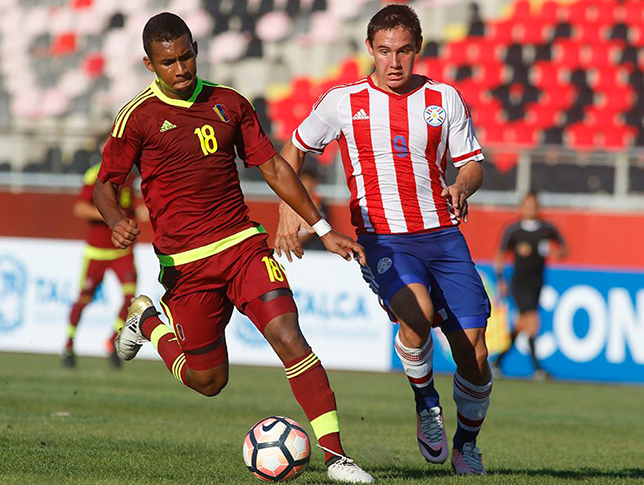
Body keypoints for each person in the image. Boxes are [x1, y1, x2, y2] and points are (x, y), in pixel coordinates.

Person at [93, 13, 373, 483]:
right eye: (168, 63)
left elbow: (275, 169)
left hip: (242, 246)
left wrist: (322, 228)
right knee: (208, 381)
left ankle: (337, 456)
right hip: (185, 266)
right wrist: (117, 219)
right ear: (149, 64)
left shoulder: (230, 103)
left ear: (196, 49)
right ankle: (149, 322)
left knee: (289, 335)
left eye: (186, 57)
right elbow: (106, 185)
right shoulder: (137, 117)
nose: (180, 69)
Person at [275, 4, 492, 476]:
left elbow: (472, 161)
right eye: (385, 51)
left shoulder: (445, 98)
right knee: (417, 314)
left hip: (443, 235)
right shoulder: (343, 101)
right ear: (370, 49)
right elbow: (294, 149)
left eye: (405, 51)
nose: (394, 62)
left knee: (473, 352)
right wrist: (288, 208)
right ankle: (426, 403)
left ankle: (467, 445)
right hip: (385, 238)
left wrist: (461, 185)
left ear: (418, 51)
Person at [62, 150, 144, 369]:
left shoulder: (131, 176)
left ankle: (111, 342)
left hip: (121, 250)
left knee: (131, 300)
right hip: (97, 251)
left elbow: (132, 206)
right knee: (84, 299)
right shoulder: (95, 174)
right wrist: (113, 216)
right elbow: (80, 208)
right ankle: (68, 345)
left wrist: (140, 211)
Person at [493, 192, 567, 380]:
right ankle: (537, 369)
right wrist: (500, 279)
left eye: (534, 205)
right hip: (519, 282)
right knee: (533, 321)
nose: (530, 208)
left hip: (537, 282)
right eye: (527, 205)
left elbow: (563, 248)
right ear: (521, 207)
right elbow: (500, 255)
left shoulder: (547, 228)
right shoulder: (514, 230)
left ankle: (496, 362)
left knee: (521, 325)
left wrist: (557, 253)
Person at [296, 165, 328, 251]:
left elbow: (316, 226)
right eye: (303, 180)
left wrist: (297, 240)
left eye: (307, 180)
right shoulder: (296, 203)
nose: (305, 184)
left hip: (315, 249)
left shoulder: (318, 204)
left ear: (314, 182)